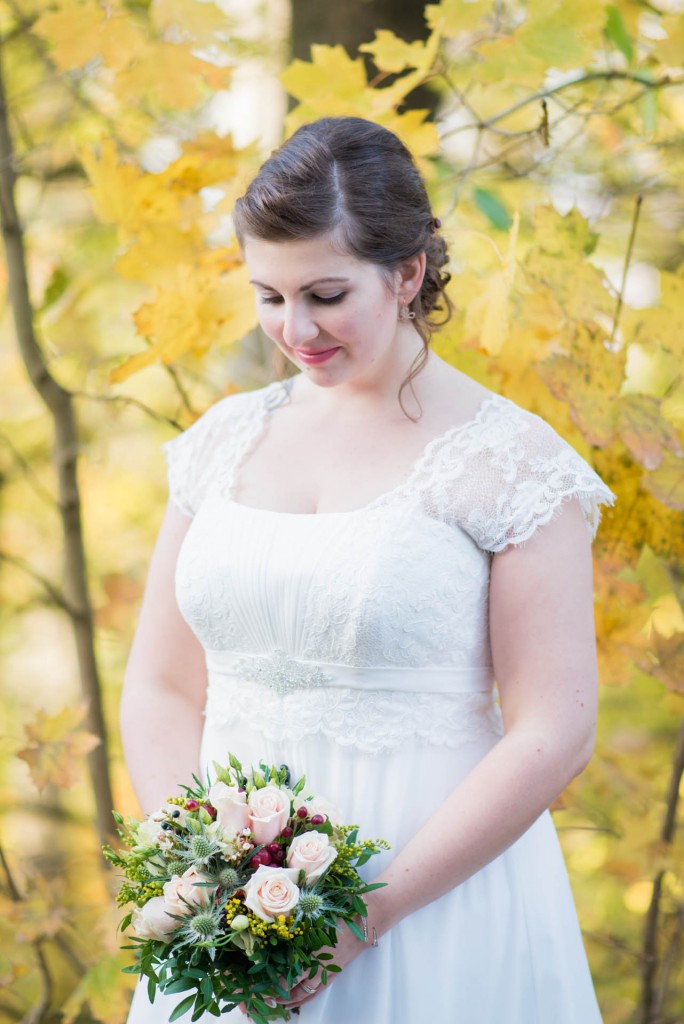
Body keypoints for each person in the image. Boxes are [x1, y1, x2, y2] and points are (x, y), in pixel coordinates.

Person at [121, 116, 614, 1024]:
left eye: (325, 293)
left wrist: (370, 912)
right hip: (231, 917)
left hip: (438, 898)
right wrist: (201, 867)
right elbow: (159, 684)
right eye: (268, 296)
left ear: (408, 273)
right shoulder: (220, 444)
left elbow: (555, 729)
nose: (294, 328)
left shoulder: (512, 464)